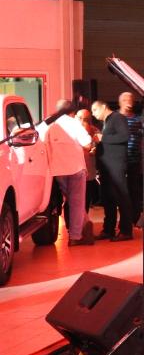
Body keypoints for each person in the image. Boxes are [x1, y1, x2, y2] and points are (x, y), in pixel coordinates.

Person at [45, 100, 93, 246]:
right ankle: (75, 237)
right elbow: (87, 143)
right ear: (72, 111)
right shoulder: (74, 124)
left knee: (71, 200)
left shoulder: (50, 125)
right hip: (75, 168)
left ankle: (86, 226)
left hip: (58, 170)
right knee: (77, 203)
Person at [91, 100, 132, 241]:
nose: (93, 114)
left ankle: (126, 231)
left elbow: (124, 136)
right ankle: (108, 229)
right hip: (107, 166)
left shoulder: (117, 118)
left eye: (95, 110)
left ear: (104, 107)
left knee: (121, 196)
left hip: (116, 165)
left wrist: (103, 138)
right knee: (108, 198)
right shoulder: (107, 121)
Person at [118, 92, 144, 222]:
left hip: (134, 159)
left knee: (134, 189)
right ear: (120, 102)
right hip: (119, 160)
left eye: (130, 100)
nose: (128, 102)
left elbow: (142, 138)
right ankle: (124, 219)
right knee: (121, 190)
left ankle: (135, 217)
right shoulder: (115, 118)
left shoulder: (138, 119)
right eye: (125, 100)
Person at [77, 108, 101, 209]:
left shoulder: (94, 130)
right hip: (75, 171)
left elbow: (98, 146)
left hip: (89, 172)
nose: (82, 121)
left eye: (86, 119)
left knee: (86, 198)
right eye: (80, 118)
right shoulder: (71, 130)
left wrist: (96, 149)